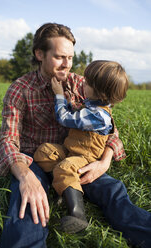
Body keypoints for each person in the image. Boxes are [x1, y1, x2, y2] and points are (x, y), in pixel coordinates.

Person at [0, 23, 151, 248]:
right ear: (40, 54)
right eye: (59, 57)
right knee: (28, 205)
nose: (67, 64)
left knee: (113, 191)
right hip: (35, 159)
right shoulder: (20, 89)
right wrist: (25, 176)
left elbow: (109, 130)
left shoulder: (81, 84)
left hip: (77, 157)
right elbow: (8, 141)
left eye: (70, 57)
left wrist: (103, 163)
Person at [34, 60, 129, 234]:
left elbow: (65, 118)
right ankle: (64, 190)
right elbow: (78, 113)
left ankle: (77, 215)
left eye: (88, 82)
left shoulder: (98, 116)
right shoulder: (93, 106)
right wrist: (72, 104)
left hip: (86, 157)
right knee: (45, 152)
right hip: (71, 150)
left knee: (65, 167)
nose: (83, 82)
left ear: (100, 92)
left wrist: (59, 96)